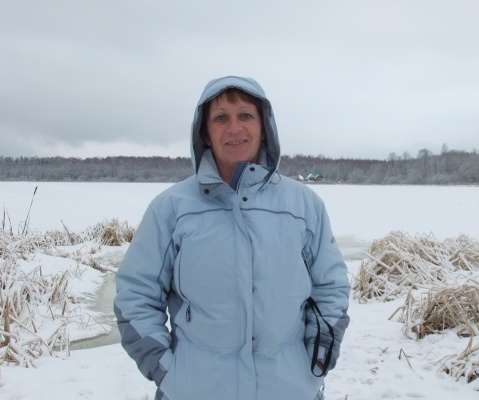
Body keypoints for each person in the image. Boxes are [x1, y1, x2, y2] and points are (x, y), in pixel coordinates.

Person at [114, 76, 351, 400]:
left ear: (264, 127)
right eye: (220, 117)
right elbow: (135, 294)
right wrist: (167, 371)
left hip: (289, 390)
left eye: (246, 115)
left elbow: (331, 287)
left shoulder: (303, 206)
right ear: (205, 132)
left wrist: (316, 359)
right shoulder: (171, 209)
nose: (234, 128)